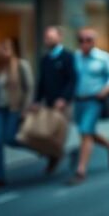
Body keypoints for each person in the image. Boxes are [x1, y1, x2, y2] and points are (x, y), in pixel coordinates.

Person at [70, 28, 109, 185]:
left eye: (88, 40)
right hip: (78, 101)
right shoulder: (75, 57)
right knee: (86, 131)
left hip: (95, 100)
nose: (84, 43)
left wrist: (105, 90)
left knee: (85, 132)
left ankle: (81, 170)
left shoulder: (103, 57)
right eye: (81, 40)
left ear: (94, 41)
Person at [0, 38, 34, 191]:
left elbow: (29, 88)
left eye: (7, 49)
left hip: (14, 109)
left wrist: (25, 108)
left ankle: (40, 147)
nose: (5, 52)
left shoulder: (21, 65)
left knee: (10, 138)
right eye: (2, 49)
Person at [32, 26, 77, 174]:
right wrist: (37, 101)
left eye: (51, 37)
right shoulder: (45, 59)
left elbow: (72, 80)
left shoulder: (68, 57)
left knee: (59, 134)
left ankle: (56, 158)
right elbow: (41, 82)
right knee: (46, 133)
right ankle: (59, 155)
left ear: (59, 37)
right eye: (46, 38)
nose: (48, 40)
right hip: (49, 103)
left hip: (64, 104)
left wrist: (64, 98)